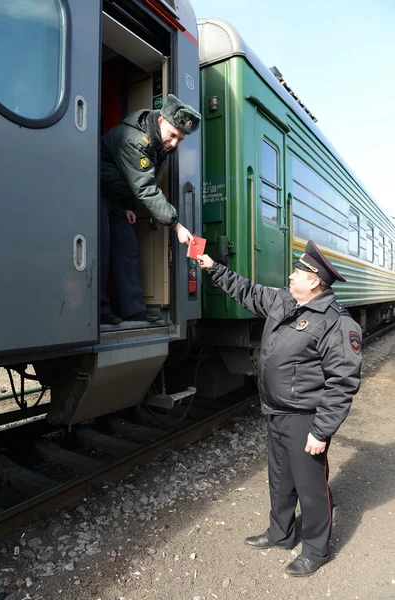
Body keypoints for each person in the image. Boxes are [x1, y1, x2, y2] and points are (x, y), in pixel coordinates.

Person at [197, 240, 362, 577]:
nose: (290, 275)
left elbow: (342, 381)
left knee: (310, 485)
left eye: (297, 271)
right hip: (276, 410)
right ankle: (281, 533)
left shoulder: (336, 322)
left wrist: (322, 430)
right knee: (280, 478)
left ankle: (316, 549)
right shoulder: (285, 301)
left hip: (306, 418)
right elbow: (247, 291)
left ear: (314, 281)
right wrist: (213, 268)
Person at [100, 94, 201, 325]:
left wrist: (127, 205)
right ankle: (100, 310)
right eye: (173, 135)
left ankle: (132, 309)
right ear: (161, 121)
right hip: (96, 190)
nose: (174, 143)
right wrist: (176, 225)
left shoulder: (158, 144)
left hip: (115, 196)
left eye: (181, 140)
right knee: (102, 247)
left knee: (127, 247)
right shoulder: (135, 140)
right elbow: (145, 188)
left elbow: (129, 175)